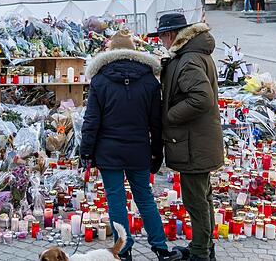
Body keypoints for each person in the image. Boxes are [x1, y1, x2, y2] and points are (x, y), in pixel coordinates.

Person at [80, 29, 180, 261]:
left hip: (109, 151)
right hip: (139, 150)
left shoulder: (100, 80)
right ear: (134, 52)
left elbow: (92, 120)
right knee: (144, 197)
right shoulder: (149, 80)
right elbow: (156, 123)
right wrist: (157, 152)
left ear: (111, 52)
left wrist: (86, 151)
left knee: (116, 200)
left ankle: (123, 251)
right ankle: (160, 247)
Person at [152, 13, 223, 261]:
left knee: (196, 201)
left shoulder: (189, 59)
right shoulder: (191, 55)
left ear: (171, 35)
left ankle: (201, 254)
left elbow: (202, 98)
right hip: (197, 141)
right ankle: (202, 248)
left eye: (161, 36)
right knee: (201, 198)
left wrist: (170, 116)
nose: (161, 41)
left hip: (194, 143)